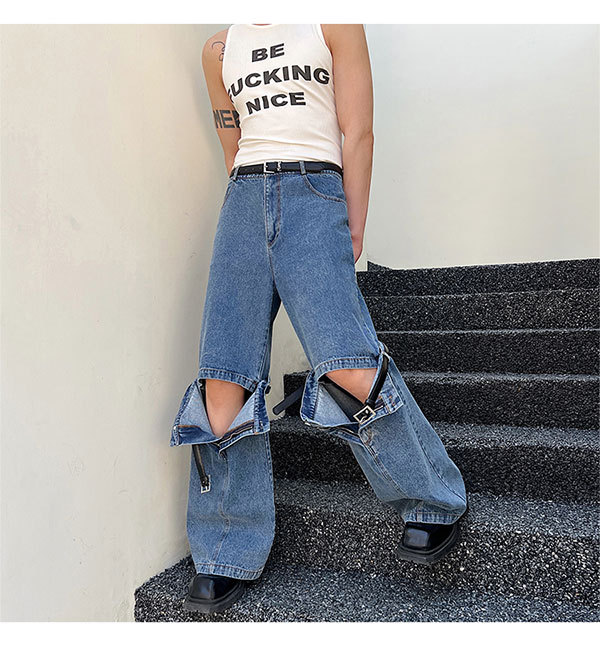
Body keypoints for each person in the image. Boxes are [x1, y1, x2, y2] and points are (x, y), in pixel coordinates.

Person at [170, 23, 468, 615]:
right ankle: (226, 547)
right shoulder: (218, 50)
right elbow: (232, 144)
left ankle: (432, 498)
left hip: (315, 190)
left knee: (348, 368)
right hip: (244, 201)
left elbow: (358, 130)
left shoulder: (332, 22)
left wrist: (352, 220)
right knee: (222, 385)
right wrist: (251, 206)